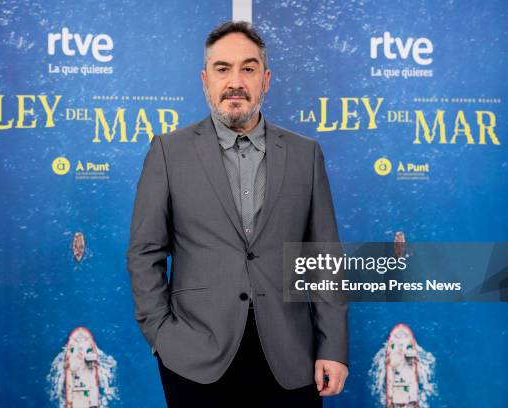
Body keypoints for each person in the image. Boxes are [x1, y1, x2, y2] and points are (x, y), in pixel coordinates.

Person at [127, 21, 348, 407]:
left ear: (266, 79)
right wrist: (162, 335)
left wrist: (333, 347)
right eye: (222, 68)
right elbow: (145, 252)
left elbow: (324, 260)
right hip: (195, 358)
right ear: (204, 80)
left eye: (248, 69)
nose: (235, 81)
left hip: (291, 357)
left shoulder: (305, 155)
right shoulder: (168, 152)